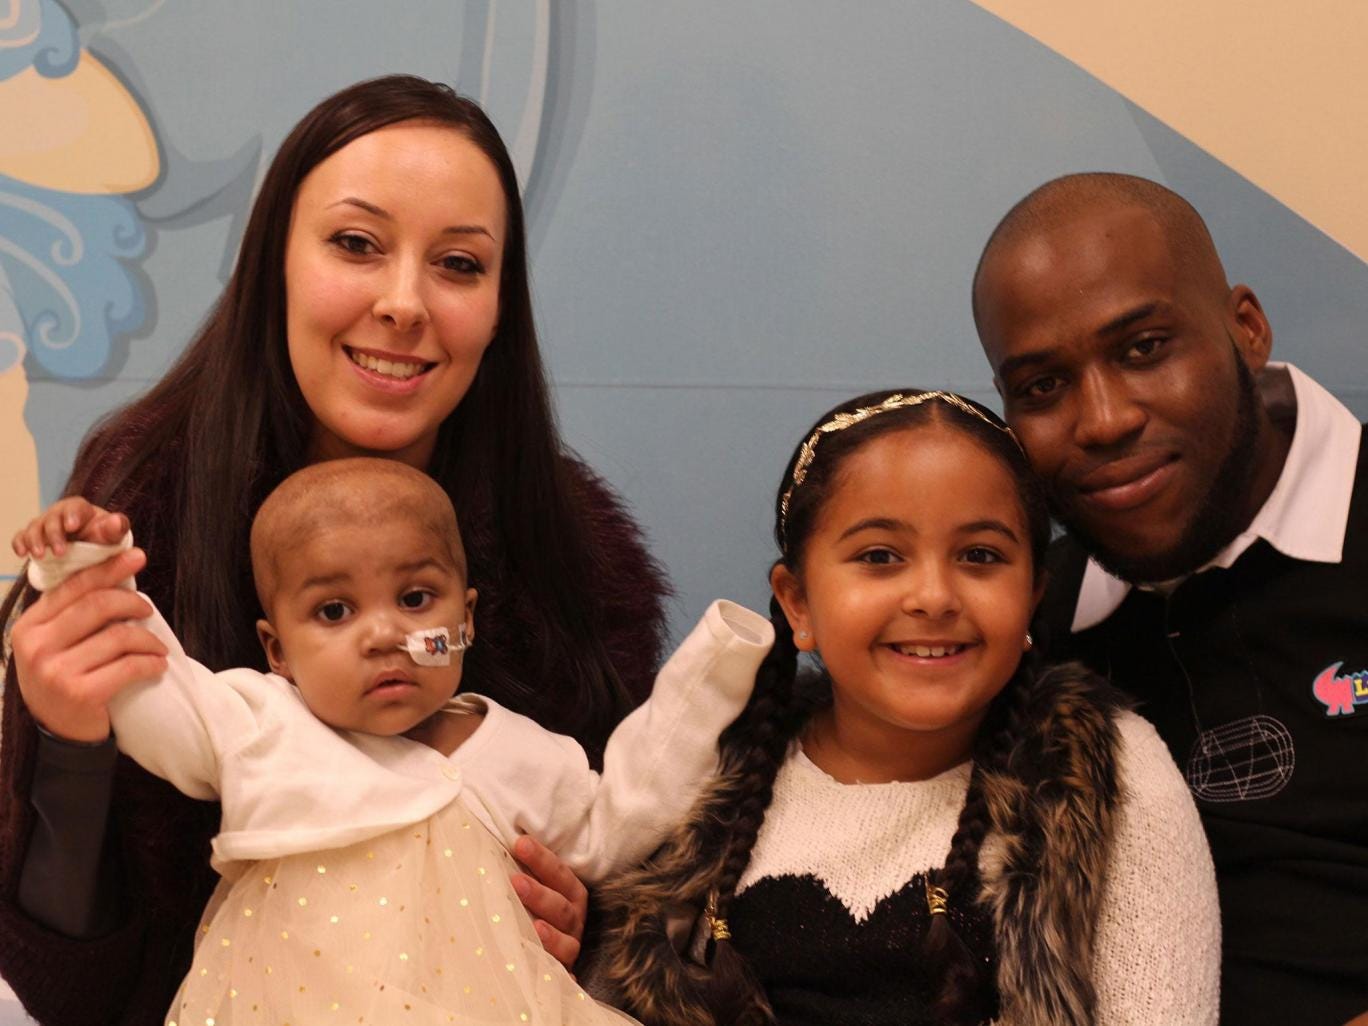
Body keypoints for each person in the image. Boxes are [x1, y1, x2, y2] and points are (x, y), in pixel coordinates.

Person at [0, 75, 668, 1026]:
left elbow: (636, 879)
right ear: (276, 256)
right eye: (356, 245)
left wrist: (588, 929)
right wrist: (70, 748)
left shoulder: (574, 561)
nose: (404, 304)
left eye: (459, 263)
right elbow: (70, 989)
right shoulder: (139, 513)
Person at [21, 458, 770, 1025]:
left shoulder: (523, 752)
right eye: (335, 610)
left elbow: (619, 821)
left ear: (466, 618)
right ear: (276, 650)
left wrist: (710, 675)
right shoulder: (259, 722)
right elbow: (154, 690)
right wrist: (84, 571)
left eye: (415, 600)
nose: (384, 635)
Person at [591, 390, 1219, 1026]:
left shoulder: (1107, 775)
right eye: (879, 557)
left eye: (980, 556)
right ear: (798, 604)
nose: (933, 596)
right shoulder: (708, 770)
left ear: (1033, 596)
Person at [972, 172, 1368, 1026]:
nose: (1105, 419)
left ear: (1246, 330)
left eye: (1144, 348)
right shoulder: (1025, 628)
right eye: (1041, 387)